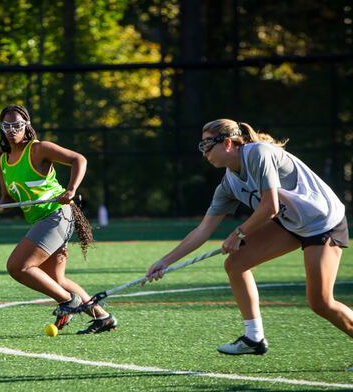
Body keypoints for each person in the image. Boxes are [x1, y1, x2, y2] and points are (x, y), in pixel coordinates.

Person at [146, 118, 352, 356]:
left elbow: (270, 207)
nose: (204, 153)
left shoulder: (258, 154)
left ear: (228, 143)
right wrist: (165, 261)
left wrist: (239, 233)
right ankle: (254, 338)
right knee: (236, 263)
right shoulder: (228, 185)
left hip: (322, 222)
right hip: (292, 224)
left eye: (206, 146)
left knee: (321, 303)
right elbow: (203, 230)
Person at [0, 104, 117, 334]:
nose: (12, 130)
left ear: (27, 126)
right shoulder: (2, 162)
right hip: (41, 220)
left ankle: (68, 301)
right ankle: (103, 318)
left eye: (17, 125)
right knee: (56, 278)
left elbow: (79, 159)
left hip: (56, 215)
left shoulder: (38, 149)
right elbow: (7, 198)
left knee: (18, 266)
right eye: (7, 125)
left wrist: (72, 189)